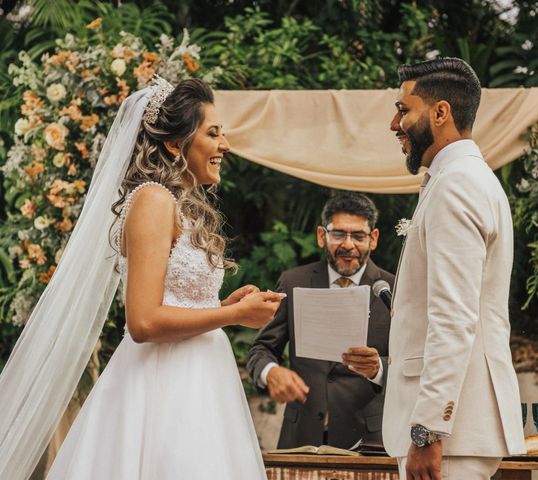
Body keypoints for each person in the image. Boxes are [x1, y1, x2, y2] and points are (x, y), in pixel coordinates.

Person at [0, 78, 284, 480]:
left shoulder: (179, 203)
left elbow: (173, 305)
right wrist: (233, 315)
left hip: (199, 378)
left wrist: (220, 306)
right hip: (162, 388)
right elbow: (144, 322)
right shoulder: (154, 200)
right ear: (174, 144)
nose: (225, 146)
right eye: (213, 134)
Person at [382, 58, 526, 480]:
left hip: (451, 436)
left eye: (404, 109)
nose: (395, 123)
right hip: (456, 433)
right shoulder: (466, 178)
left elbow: (454, 317)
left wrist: (428, 429)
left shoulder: (457, 185)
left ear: (440, 112)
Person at [248, 193, 394, 450]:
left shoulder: (393, 288)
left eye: (358, 236)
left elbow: (413, 363)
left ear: (373, 239)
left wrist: (379, 369)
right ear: (321, 235)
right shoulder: (294, 281)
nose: (348, 244)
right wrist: (270, 372)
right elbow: (261, 349)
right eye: (338, 234)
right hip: (301, 436)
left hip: (369, 442)